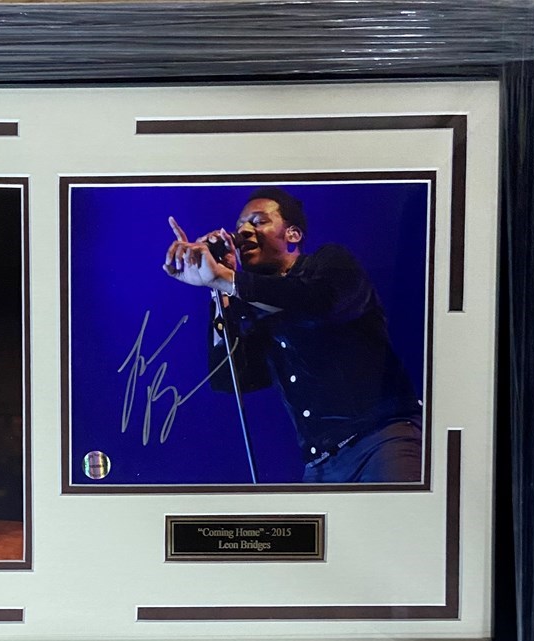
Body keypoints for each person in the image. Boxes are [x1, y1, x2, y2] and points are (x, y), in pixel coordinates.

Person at [163, 186, 422, 483]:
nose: (243, 231)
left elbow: (321, 302)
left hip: (381, 442)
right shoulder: (259, 311)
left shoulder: (329, 262)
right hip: (319, 467)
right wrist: (219, 292)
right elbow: (228, 379)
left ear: (293, 234)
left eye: (259, 221)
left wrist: (229, 280)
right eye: (239, 226)